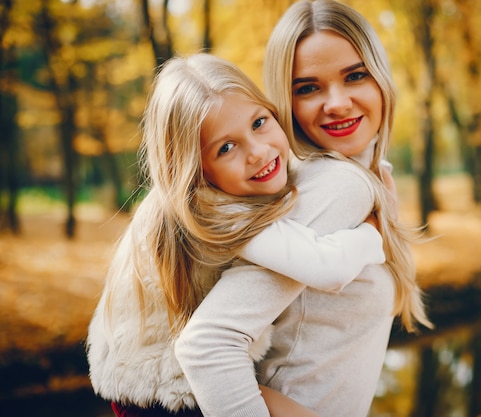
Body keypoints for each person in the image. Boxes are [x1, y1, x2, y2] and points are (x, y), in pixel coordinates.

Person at [86, 53, 388, 417]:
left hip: (149, 384)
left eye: (259, 122)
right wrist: (373, 232)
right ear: (194, 169)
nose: (258, 152)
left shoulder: (190, 199)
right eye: (226, 148)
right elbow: (328, 268)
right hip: (167, 395)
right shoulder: (211, 211)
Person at [175, 1, 432, 416]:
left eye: (355, 75)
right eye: (308, 88)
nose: (337, 103)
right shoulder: (335, 185)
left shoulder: (366, 175)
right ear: (284, 100)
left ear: (381, 77)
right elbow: (209, 344)